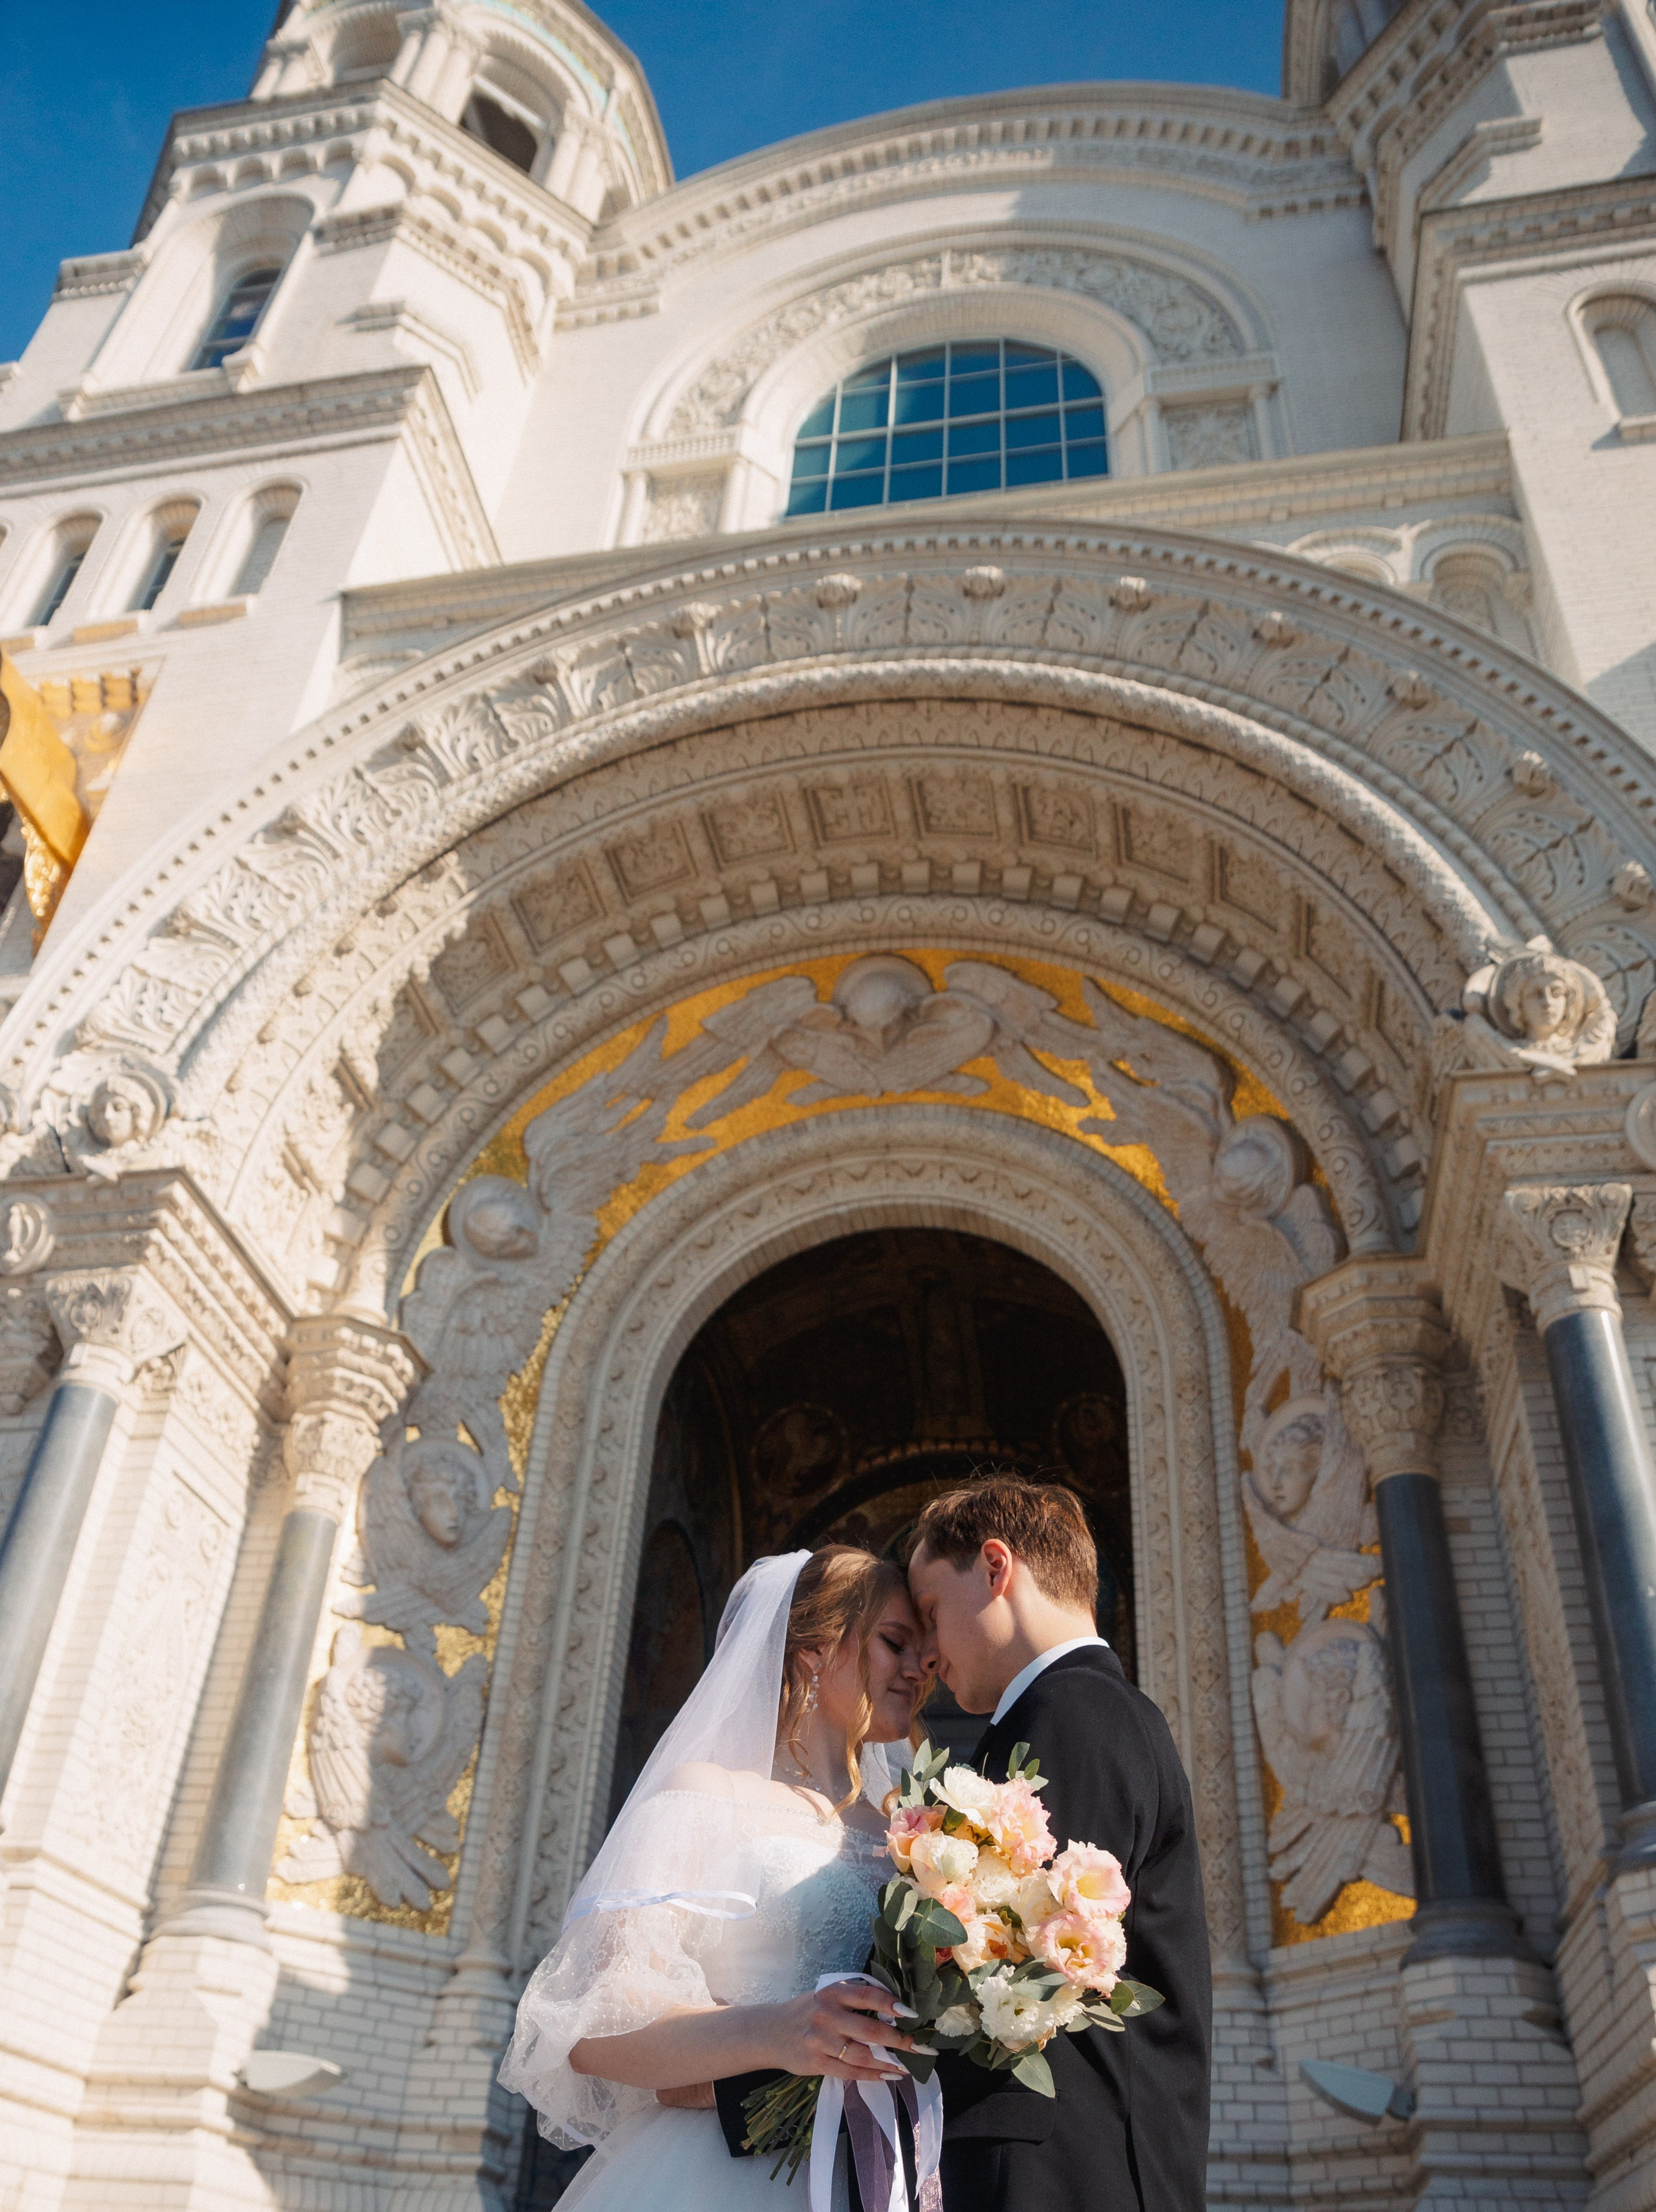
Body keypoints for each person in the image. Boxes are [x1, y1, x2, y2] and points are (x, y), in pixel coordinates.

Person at [500, 1545, 930, 2209]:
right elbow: (594, 2023)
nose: (918, 1667)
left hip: (875, 2167)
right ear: (814, 1650)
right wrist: (775, 2031)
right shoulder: (707, 1795)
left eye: (923, 1652)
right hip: (716, 2168)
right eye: (894, 1642)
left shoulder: (914, 1837)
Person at [907, 1477, 1212, 2212]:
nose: (925, 1652)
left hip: (1059, 2169)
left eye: (929, 1613)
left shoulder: (1070, 1710)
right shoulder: (1080, 1709)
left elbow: (1007, 1958)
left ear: (994, 1567)